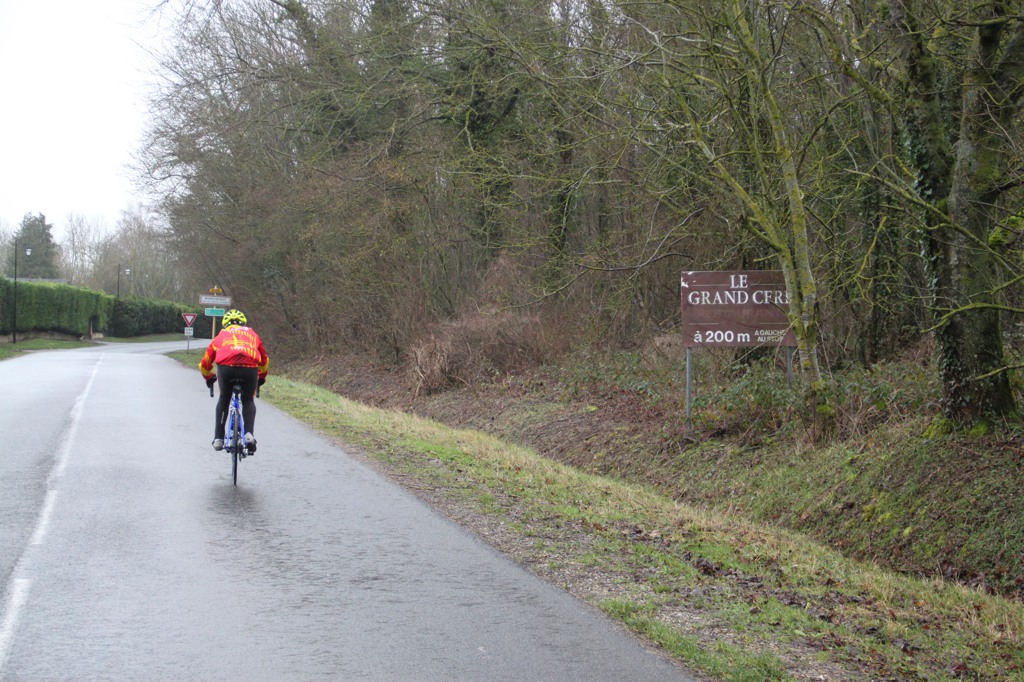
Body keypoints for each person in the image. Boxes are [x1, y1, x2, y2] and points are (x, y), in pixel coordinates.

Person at [199, 309, 269, 453]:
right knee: (248, 400)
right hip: (249, 368)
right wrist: (261, 378)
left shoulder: (221, 336)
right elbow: (264, 360)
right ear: (243, 323)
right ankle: (248, 434)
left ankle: (219, 438)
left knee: (224, 398)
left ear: (225, 324)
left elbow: (205, 363)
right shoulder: (252, 334)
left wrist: (208, 377)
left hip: (226, 368)